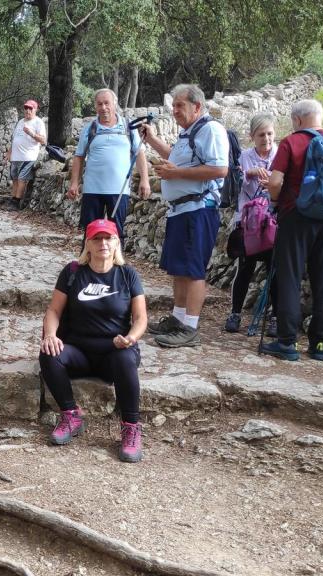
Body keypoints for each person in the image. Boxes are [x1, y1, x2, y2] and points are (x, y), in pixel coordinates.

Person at [259, 99, 323, 361]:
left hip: (296, 216)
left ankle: (287, 342)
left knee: (290, 277)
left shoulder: (291, 142)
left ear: (297, 120)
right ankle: (319, 345)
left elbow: (275, 182)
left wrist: (275, 202)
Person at [38, 219, 148, 462]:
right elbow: (54, 310)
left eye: (108, 238)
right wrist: (50, 335)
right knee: (49, 353)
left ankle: (131, 427)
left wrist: (130, 338)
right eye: (97, 238)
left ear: (117, 243)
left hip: (114, 352)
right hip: (78, 352)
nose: (103, 243)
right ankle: (71, 415)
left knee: (124, 359)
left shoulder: (127, 275)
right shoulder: (72, 272)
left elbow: (141, 318)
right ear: (87, 244)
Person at [139, 84, 229, 348]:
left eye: (180, 105)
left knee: (193, 270)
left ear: (197, 106)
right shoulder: (189, 133)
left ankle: (190, 327)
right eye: (174, 106)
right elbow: (176, 160)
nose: (175, 111)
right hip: (182, 210)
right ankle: (178, 320)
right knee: (179, 268)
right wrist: (152, 140)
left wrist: (175, 174)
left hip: (198, 209)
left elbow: (220, 169)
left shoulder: (210, 129)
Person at [68, 89, 152, 245]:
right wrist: (74, 183)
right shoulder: (90, 128)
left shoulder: (128, 127)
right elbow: (79, 157)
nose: (103, 107)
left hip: (119, 190)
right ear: (95, 106)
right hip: (92, 189)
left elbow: (139, 154)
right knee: (91, 234)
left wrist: (145, 180)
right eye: (99, 104)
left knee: (116, 234)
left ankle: (116, 261)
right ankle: (88, 261)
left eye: (107, 103)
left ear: (114, 103)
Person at [226, 114, 279, 335]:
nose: (266, 138)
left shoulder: (280, 155)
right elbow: (237, 184)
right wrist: (250, 172)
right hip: (249, 223)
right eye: (261, 135)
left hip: (272, 221)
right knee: (245, 267)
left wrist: (273, 185)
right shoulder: (244, 157)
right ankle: (235, 313)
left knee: (274, 270)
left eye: (269, 134)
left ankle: (275, 317)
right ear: (252, 136)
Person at [4, 99, 47, 211]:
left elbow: (43, 140)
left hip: (28, 156)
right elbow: (15, 139)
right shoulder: (20, 122)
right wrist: (9, 153)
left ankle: (17, 202)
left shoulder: (38, 122)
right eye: (26, 108)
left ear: (35, 110)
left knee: (22, 178)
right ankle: (13, 199)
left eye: (30, 108)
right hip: (15, 157)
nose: (27, 110)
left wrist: (31, 133)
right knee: (14, 178)